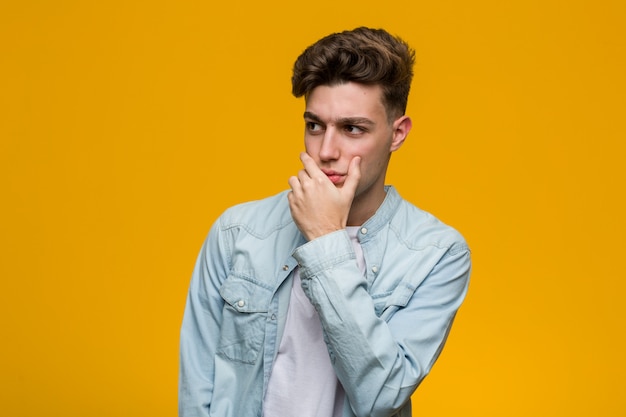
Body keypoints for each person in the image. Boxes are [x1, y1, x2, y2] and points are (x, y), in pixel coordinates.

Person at [179, 27, 471, 417]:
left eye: (352, 129)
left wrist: (326, 240)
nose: (325, 151)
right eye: (315, 125)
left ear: (397, 134)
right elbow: (199, 389)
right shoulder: (237, 232)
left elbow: (381, 395)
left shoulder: (438, 254)